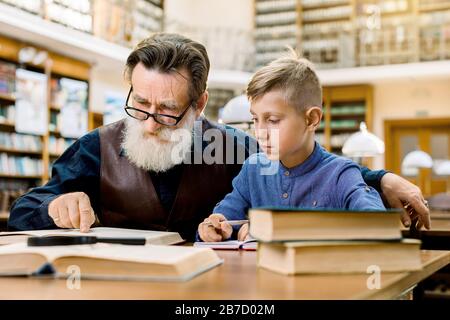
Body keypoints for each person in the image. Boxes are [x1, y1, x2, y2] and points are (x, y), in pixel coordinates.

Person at [8, 33, 430, 242]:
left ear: (200, 103)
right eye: (140, 103)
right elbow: (24, 210)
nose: (150, 122)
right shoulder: (94, 147)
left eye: (169, 110)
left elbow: (302, 163)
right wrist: (55, 206)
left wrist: (380, 179)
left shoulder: (232, 146)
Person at [198, 52, 386, 242]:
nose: (260, 132)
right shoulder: (252, 170)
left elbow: (377, 225)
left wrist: (270, 229)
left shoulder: (341, 174)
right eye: (255, 119)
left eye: (273, 120)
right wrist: (212, 228)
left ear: (311, 119)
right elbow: (219, 221)